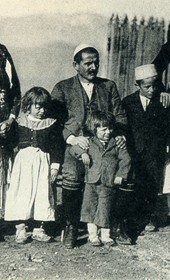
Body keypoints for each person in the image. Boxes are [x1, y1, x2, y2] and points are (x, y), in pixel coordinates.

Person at [51, 43, 127, 249]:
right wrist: (72, 139)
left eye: (96, 63)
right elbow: (54, 122)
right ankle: (71, 225)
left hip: (104, 145)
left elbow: (120, 116)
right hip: (76, 145)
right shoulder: (63, 88)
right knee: (73, 176)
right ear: (75, 65)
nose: (93, 68)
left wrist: (119, 135)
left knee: (115, 176)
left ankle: (113, 225)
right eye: (87, 63)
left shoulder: (108, 86)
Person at [4, 87, 63, 244]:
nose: (42, 111)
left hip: (42, 163)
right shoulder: (19, 123)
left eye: (44, 107)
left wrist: (55, 167)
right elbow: (11, 142)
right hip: (23, 164)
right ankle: (21, 229)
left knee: (42, 194)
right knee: (22, 194)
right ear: (28, 105)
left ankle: (39, 229)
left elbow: (56, 147)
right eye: (38, 107)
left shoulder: (51, 124)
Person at [69, 111, 131, 247]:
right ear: (94, 129)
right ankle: (92, 235)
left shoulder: (116, 144)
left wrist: (121, 175)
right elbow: (73, 149)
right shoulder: (89, 142)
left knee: (105, 208)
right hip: (91, 181)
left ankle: (105, 235)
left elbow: (126, 160)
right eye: (104, 129)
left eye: (110, 129)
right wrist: (82, 154)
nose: (108, 132)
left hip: (107, 183)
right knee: (89, 208)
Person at [122, 64, 169, 238]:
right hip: (134, 150)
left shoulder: (163, 102)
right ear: (137, 85)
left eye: (155, 85)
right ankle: (131, 218)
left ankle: (148, 218)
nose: (152, 89)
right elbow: (123, 126)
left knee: (153, 185)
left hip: (155, 151)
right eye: (147, 86)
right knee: (135, 183)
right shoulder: (128, 103)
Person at [0, 44, 21, 240]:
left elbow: (15, 91)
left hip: (2, 125)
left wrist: (10, 119)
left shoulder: (2, 52)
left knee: (1, 173)